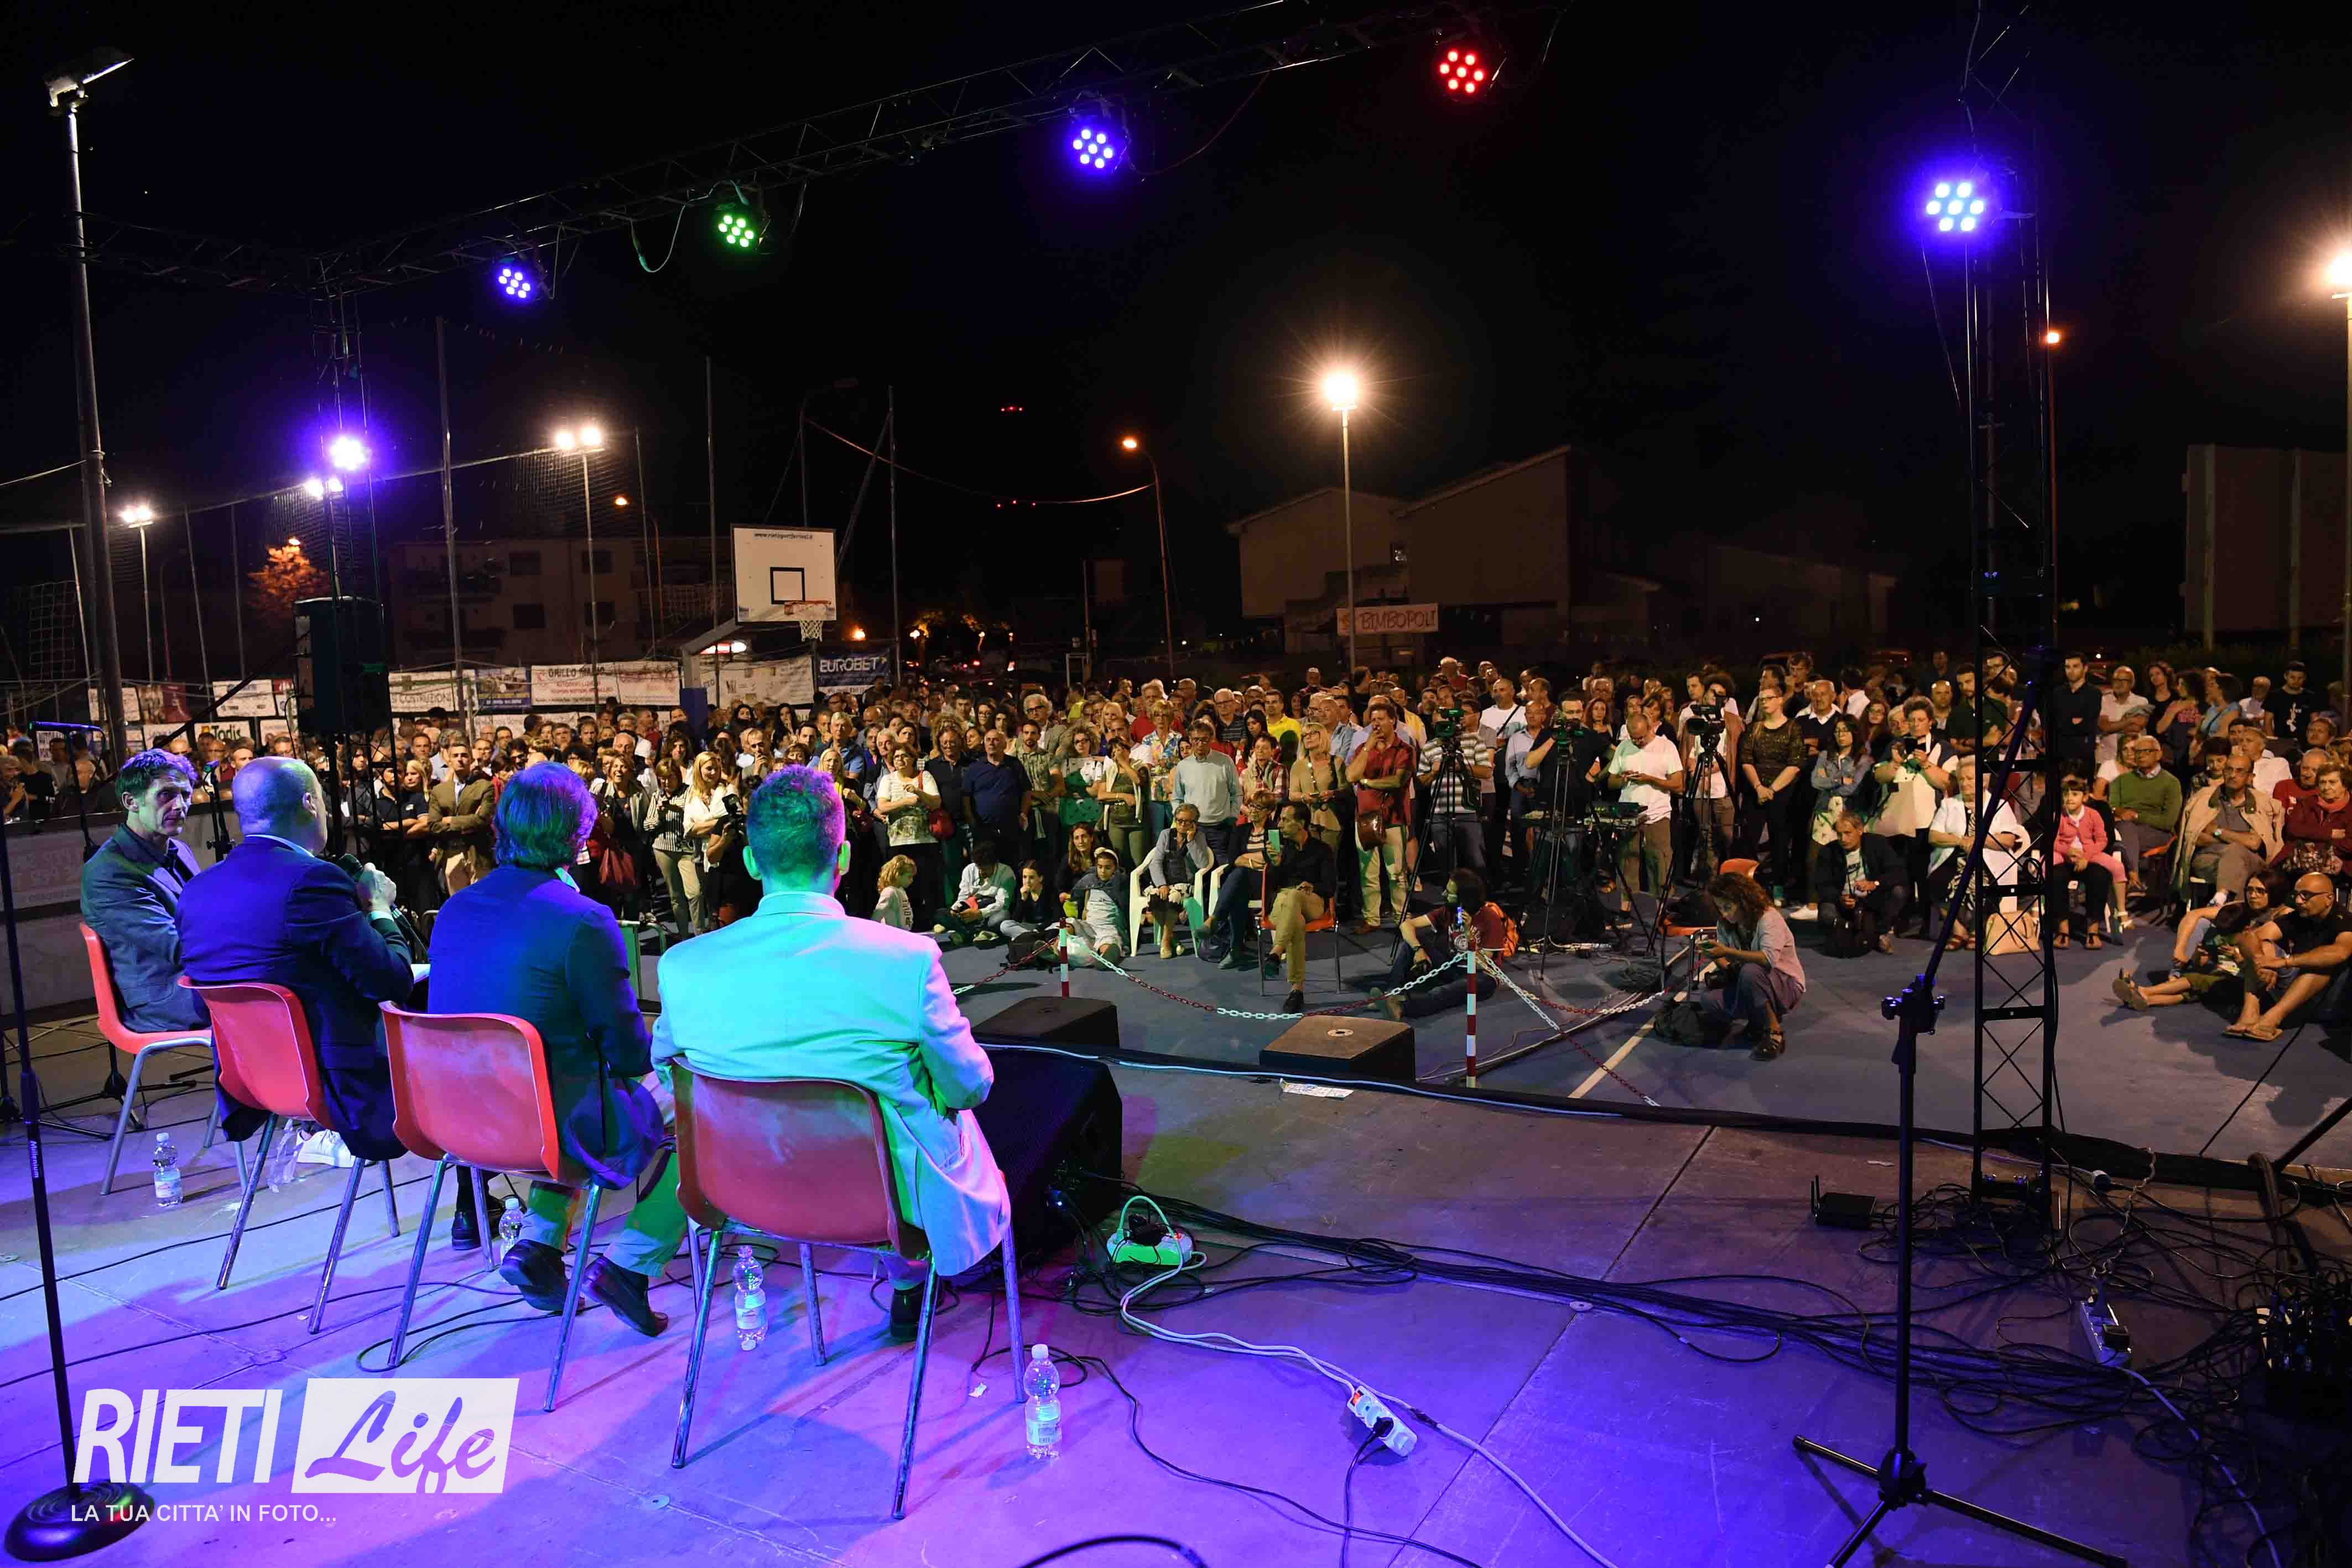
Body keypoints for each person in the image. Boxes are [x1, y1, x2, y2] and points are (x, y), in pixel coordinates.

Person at [653, 765, 1008, 1341]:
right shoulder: (906, 960)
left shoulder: (683, 966)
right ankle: (913, 1278)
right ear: (842, 857)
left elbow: (670, 1073)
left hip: (742, 1190)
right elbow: (971, 1087)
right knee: (935, 1107)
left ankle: (908, 1279)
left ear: (751, 862)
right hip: (881, 1205)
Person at [424, 763, 671, 1329]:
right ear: (579, 835)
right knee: (697, 1098)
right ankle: (630, 1263)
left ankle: (537, 1245)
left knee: (559, 1088)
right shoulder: (584, 919)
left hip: (459, 1121)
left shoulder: (454, 909)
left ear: (500, 827)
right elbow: (630, 1054)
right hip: (548, 1123)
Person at [176, 757, 416, 1161]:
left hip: (252, 1080)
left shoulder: (197, 891)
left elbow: (204, 1004)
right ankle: (479, 1189)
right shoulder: (313, 880)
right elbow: (392, 981)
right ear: (309, 803)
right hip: (341, 1086)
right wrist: (379, 909)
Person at [2114, 871, 2283, 1013]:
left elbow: (2266, 960)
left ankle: (2143, 991)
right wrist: (2182, 950)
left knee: (2195, 982)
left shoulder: (2278, 920)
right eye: (2250, 890)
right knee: (2201, 926)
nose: (2253, 895)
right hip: (2229, 967)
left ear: (2273, 892)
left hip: (2250, 976)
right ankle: (2150, 996)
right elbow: (2193, 915)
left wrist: (2237, 958)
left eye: (2260, 891)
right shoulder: (2239, 908)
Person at [1370, 867, 1514, 1022]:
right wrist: (1418, 950)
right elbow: (1406, 925)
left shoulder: (1490, 919)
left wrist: (1468, 933)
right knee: (1413, 943)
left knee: (1442, 992)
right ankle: (1392, 994)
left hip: (1480, 976)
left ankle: (1402, 1008)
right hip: (1452, 968)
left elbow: (1481, 965)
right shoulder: (1449, 911)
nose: (1443, 894)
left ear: (1464, 898)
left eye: (1449, 893)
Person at [1689, 870, 1805, 1060]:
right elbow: (1729, 963)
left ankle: (1774, 1033)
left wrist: (1727, 952)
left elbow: (1767, 960)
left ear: (1743, 901)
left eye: (1728, 907)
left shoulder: (1769, 918)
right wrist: (1715, 956)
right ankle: (1758, 1020)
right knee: (1708, 1000)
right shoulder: (1725, 924)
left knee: (1750, 972)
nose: (1724, 913)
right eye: (1720, 908)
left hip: (1787, 984)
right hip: (1753, 981)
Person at [2226, 873, 2352, 1041]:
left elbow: (2340, 952)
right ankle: (2250, 1015)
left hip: (2331, 1003)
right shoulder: (2300, 916)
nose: (2298, 901)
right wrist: (2260, 961)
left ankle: (2272, 1019)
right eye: (2296, 895)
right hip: (2296, 996)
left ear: (2329, 898)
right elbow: (2250, 938)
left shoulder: (2345, 921)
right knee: (2263, 947)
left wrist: (2285, 962)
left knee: (2321, 963)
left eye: (2306, 895)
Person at [1346, 700, 1418, 930]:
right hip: (1366, 818)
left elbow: (1397, 781)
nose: (1375, 724)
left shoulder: (1405, 750)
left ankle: (1402, 919)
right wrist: (1368, 747)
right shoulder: (1362, 749)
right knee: (1368, 873)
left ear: (1393, 721)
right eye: (1372, 720)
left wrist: (1367, 782)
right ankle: (1372, 920)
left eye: (1380, 719)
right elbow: (1351, 776)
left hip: (1393, 819)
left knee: (1396, 873)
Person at [2174, 753, 2282, 904]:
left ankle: (2221, 900)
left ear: (2250, 777)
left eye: (2240, 771)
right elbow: (2197, 838)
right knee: (2236, 862)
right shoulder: (2204, 799)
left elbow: (2254, 843)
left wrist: (2217, 831)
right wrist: (2239, 839)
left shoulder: (2262, 803)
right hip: (2208, 859)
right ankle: (2232, 910)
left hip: (2250, 861)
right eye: (2229, 770)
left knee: (2236, 853)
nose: (2233, 775)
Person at [1605, 704, 1684, 896]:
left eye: (1641, 738)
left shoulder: (1666, 747)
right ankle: (1626, 907)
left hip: (1657, 814)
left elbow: (1678, 785)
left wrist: (1650, 779)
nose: (1637, 742)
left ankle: (1661, 907)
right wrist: (1623, 779)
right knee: (1627, 864)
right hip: (1629, 815)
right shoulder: (1624, 747)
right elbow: (1611, 782)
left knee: (1660, 865)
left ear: (1650, 728)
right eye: (1633, 738)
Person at [1810, 811, 1908, 956]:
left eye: (1848, 833)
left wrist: (1875, 884)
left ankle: (1879, 933)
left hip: (1872, 898)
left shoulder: (1877, 844)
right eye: (1839, 834)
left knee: (1898, 892)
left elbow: (1898, 873)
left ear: (1860, 830)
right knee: (1827, 915)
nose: (1843, 839)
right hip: (1842, 900)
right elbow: (1822, 885)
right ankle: (1842, 935)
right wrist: (1839, 898)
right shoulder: (1828, 851)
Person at [2106, 736, 2182, 902]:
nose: (2140, 755)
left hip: (2158, 834)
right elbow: (2111, 808)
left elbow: (2168, 822)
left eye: (2146, 751)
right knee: (2125, 830)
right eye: (2137, 752)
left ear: (2159, 754)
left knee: (2124, 833)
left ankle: (2132, 880)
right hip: (2125, 830)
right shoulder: (2120, 781)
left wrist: (2136, 816)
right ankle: (2134, 879)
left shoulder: (2171, 783)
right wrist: (2118, 811)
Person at [2048, 778, 2119, 949]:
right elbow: (2052, 842)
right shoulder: (2058, 816)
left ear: (2085, 797)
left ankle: (2093, 930)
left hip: (2088, 858)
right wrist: (2067, 851)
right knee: (2055, 876)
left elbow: (2102, 840)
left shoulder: (2093, 815)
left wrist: (2086, 857)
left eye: (2075, 794)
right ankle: (2063, 930)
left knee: (2100, 876)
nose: (2070, 798)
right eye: (2066, 794)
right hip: (2065, 859)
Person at [1141, 803, 1214, 958]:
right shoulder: (1166, 834)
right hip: (1165, 881)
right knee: (1155, 896)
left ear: (1195, 823)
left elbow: (1203, 864)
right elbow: (1155, 862)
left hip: (1186, 884)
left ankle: (1165, 941)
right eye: (1179, 820)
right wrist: (1162, 884)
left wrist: (1191, 841)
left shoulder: (1199, 837)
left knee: (1173, 897)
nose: (1182, 824)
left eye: (1187, 821)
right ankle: (1171, 938)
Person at [426, 744, 495, 894]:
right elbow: (433, 825)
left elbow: (482, 820)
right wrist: (470, 821)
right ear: (449, 760)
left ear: (470, 760)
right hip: (451, 854)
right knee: (457, 902)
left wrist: (450, 820)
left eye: (464, 755)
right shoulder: (439, 790)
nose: (460, 759)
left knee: (481, 901)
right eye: (455, 756)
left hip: (478, 854)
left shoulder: (484, 786)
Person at [934, 834, 1016, 947]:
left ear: (995, 864)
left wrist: (979, 914)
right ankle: (977, 933)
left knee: (1002, 917)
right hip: (969, 910)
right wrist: (956, 908)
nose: (981, 872)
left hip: (989, 913)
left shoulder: (1006, 873)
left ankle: (965, 933)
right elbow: (963, 896)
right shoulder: (969, 870)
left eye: (985, 869)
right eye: (979, 868)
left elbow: (1002, 904)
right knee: (940, 914)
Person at [874, 853, 917, 931]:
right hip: (892, 934)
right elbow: (878, 913)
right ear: (898, 875)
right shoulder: (889, 892)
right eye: (909, 877)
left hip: (903, 933)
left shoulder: (901, 890)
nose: (912, 880)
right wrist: (872, 930)